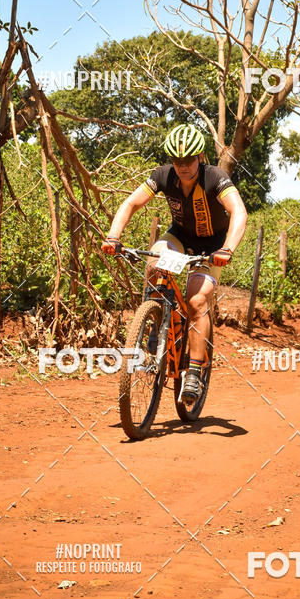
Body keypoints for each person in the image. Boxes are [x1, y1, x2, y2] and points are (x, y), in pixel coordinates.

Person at [101, 123, 248, 405]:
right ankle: (156, 321)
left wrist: (227, 249)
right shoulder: (163, 176)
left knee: (196, 301)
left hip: (213, 247)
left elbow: (238, 211)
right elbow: (131, 203)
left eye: (189, 160)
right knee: (154, 262)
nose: (183, 167)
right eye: (177, 160)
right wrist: (113, 236)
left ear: (200, 157)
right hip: (179, 237)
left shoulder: (215, 177)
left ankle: (194, 371)